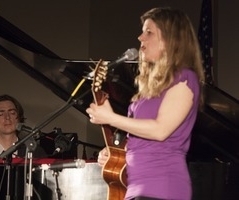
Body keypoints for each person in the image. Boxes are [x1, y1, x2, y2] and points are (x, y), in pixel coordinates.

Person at [86, 7, 205, 200]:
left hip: (163, 187)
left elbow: (160, 131)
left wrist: (111, 118)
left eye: (149, 32)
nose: (140, 38)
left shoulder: (185, 78)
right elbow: (141, 140)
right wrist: (116, 153)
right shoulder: (148, 91)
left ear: (170, 40)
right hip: (137, 188)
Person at [0, 94, 47, 159]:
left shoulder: (36, 152)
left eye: (12, 113)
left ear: (19, 119)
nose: (7, 117)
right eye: (0, 114)